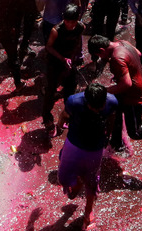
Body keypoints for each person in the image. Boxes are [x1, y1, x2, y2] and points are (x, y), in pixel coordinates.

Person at [55, 84, 118, 230]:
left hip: (95, 148)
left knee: (91, 181)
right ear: (86, 100)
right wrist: (59, 126)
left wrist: (108, 134)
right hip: (74, 144)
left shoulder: (112, 101)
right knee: (63, 178)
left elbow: (112, 118)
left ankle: (88, 211)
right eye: (94, 107)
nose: (97, 110)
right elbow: (64, 115)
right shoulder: (73, 101)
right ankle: (77, 182)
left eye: (100, 107)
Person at [42, 4, 86, 133]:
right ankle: (47, 119)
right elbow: (48, 47)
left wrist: (72, 58)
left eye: (73, 22)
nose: (70, 25)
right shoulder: (56, 30)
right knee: (50, 91)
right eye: (67, 21)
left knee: (70, 90)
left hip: (69, 61)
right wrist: (62, 59)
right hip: (54, 61)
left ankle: (67, 116)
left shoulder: (80, 27)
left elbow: (77, 43)